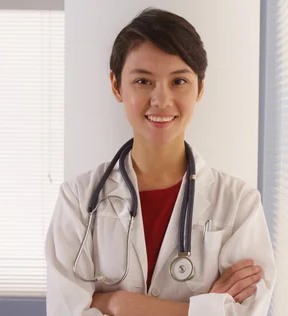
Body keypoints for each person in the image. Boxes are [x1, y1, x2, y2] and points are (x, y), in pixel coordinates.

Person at [45, 8, 276, 316]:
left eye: (179, 81)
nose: (162, 99)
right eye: (143, 81)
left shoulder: (239, 205)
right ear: (116, 86)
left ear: (200, 88)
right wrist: (203, 309)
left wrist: (117, 303)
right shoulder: (78, 200)